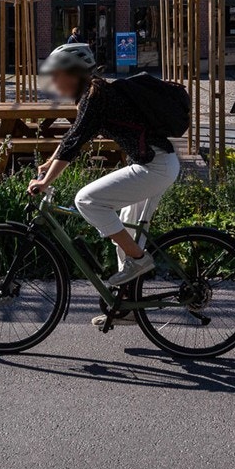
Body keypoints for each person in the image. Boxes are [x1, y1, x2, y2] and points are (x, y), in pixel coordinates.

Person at [27, 42, 180, 327]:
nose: (54, 82)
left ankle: (140, 260)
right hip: (156, 164)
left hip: (154, 167)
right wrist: (49, 163)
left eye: (57, 75)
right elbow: (74, 135)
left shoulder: (95, 96)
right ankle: (127, 307)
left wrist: (46, 181)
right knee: (125, 231)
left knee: (86, 200)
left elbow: (74, 142)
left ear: (73, 73)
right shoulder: (94, 93)